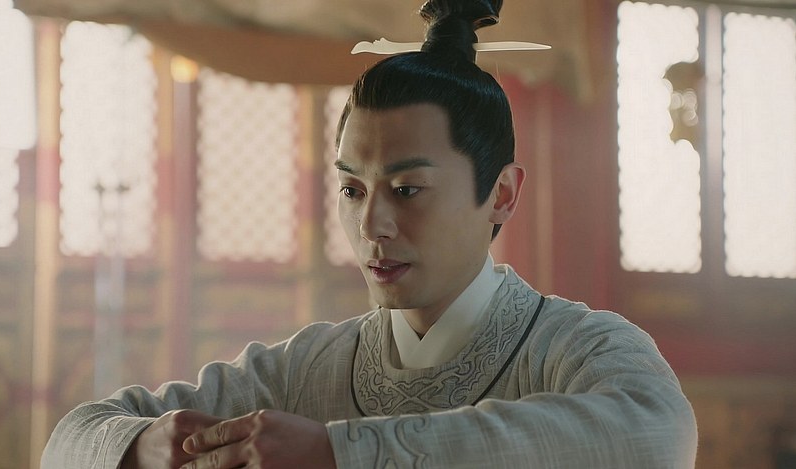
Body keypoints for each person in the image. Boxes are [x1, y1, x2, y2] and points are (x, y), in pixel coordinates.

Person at [41, 0, 698, 467]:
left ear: (500, 194)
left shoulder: (573, 347)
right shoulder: (308, 367)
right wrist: (145, 446)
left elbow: (657, 436)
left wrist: (341, 453)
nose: (370, 226)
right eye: (353, 190)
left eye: (407, 190)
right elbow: (72, 438)